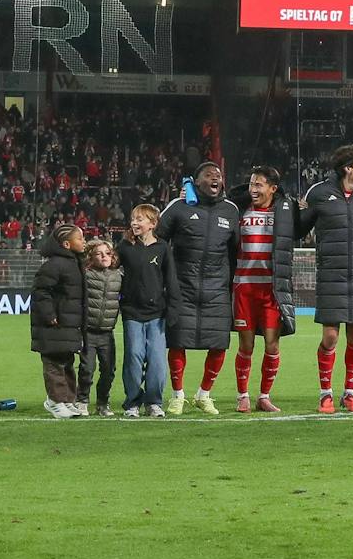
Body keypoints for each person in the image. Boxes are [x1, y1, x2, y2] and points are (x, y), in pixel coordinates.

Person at [157, 161, 241, 416]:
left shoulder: (230, 210)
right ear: (195, 182)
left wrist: (230, 283)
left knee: (219, 344)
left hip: (217, 290)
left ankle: (204, 394)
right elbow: (158, 241)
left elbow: (235, 250)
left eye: (218, 175)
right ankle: (177, 396)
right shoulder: (178, 206)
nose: (215, 178)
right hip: (182, 288)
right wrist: (165, 277)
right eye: (208, 174)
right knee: (177, 342)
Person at [299, 144, 353, 413]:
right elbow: (300, 227)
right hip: (331, 274)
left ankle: (349, 394)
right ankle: (325, 394)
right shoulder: (319, 193)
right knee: (331, 337)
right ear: (348, 168)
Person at [232, 165, 296, 414]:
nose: (253, 189)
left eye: (258, 185)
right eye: (251, 184)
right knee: (246, 345)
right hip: (245, 289)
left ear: (273, 189)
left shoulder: (283, 212)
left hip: (271, 291)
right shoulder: (240, 209)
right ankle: (243, 396)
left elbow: (302, 225)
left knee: (272, 345)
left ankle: (264, 396)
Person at [116, 203, 170, 416]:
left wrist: (174, 309)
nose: (134, 223)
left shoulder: (163, 247)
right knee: (134, 356)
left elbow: (171, 279)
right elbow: (110, 266)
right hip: (132, 312)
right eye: (133, 219)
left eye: (139, 219)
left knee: (157, 360)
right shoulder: (125, 246)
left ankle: (154, 402)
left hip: (157, 313)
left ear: (152, 223)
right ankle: (132, 402)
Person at [31, 223, 88, 419]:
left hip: (69, 324)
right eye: (79, 238)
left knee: (67, 361)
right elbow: (40, 291)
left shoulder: (75, 262)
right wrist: (49, 315)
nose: (84, 241)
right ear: (66, 244)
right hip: (54, 325)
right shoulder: (54, 265)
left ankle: (67, 400)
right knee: (54, 363)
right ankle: (55, 402)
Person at [78, 239, 123, 417]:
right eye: (99, 253)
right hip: (88, 332)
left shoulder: (119, 276)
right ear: (91, 257)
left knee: (108, 371)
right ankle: (82, 401)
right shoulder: (85, 275)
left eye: (107, 253)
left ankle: (103, 403)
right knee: (87, 369)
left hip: (107, 332)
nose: (104, 256)